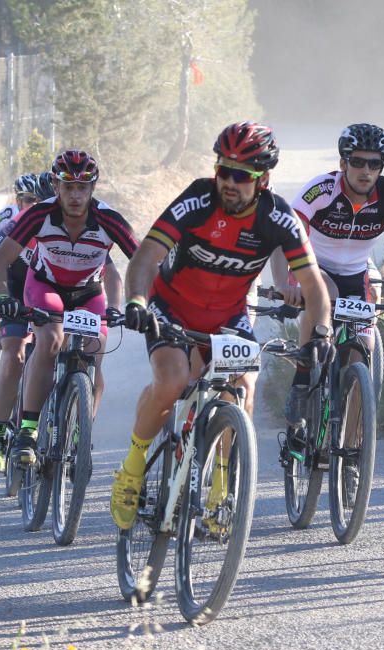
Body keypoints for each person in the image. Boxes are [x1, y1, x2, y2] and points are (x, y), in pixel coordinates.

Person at [111, 121, 332, 531]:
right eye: (223, 170)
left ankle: (220, 487)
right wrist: (137, 301)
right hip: (172, 306)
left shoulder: (278, 218)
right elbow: (145, 258)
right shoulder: (197, 199)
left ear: (263, 179)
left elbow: (315, 289)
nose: (228, 182)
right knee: (173, 380)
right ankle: (133, 467)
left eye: (241, 175)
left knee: (242, 388)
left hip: (228, 314)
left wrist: (319, 336)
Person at [269, 123, 384, 425]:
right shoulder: (322, 189)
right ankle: (302, 378)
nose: (366, 171)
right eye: (358, 162)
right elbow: (286, 236)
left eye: (374, 164)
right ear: (343, 163)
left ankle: (352, 445)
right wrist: (287, 282)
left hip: (356, 274)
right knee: (322, 295)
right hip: (314, 266)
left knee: (363, 351)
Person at [0, 150, 137, 467]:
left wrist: (135, 303)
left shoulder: (108, 218)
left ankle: (82, 434)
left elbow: (141, 262)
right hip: (45, 287)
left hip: (88, 293)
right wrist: (2, 297)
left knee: (95, 352)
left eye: (83, 187)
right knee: (51, 341)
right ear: (55, 185)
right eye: (68, 186)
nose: (75, 195)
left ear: (93, 188)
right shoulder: (38, 214)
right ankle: (27, 431)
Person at [0, 172, 56, 472]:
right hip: (16, 286)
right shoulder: (20, 220)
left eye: (46, 202)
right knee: (14, 353)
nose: (40, 207)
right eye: (32, 202)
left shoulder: (71, 221)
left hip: (52, 293)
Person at [0, 173, 54, 395]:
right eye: (29, 200)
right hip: (14, 276)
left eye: (37, 200)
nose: (34, 205)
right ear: (18, 200)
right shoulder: (13, 216)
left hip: (46, 288)